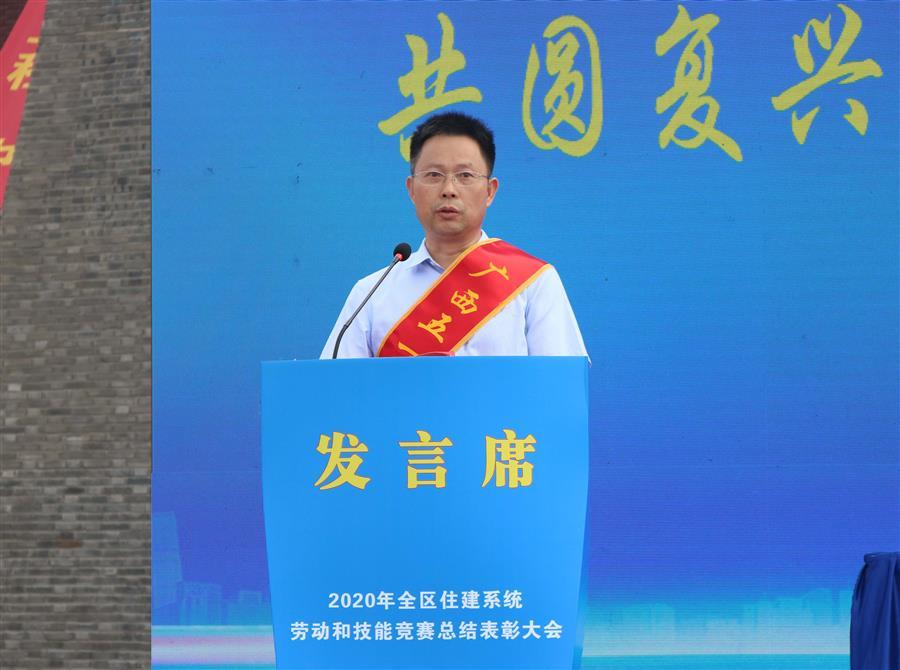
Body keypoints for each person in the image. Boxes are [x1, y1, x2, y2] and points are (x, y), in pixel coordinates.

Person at [321, 111, 587, 359]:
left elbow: (560, 385)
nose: (449, 189)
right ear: (411, 189)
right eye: (434, 175)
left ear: (490, 191)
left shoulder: (534, 284)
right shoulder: (370, 293)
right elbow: (337, 387)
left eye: (465, 175)